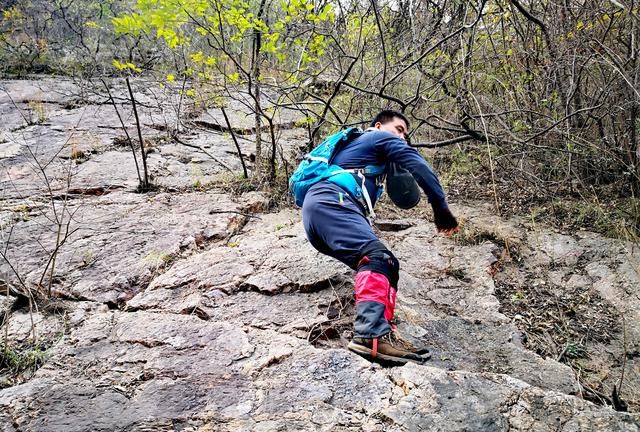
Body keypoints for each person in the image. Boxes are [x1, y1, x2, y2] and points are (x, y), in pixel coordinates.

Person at [301, 110, 459, 364]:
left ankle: (383, 334)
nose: (402, 137)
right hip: (332, 201)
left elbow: (403, 193)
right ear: (378, 126)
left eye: (405, 133)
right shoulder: (376, 138)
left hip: (319, 212)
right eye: (399, 129)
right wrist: (441, 208)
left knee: (386, 263)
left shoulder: (361, 150)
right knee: (377, 257)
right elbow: (418, 165)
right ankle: (369, 335)